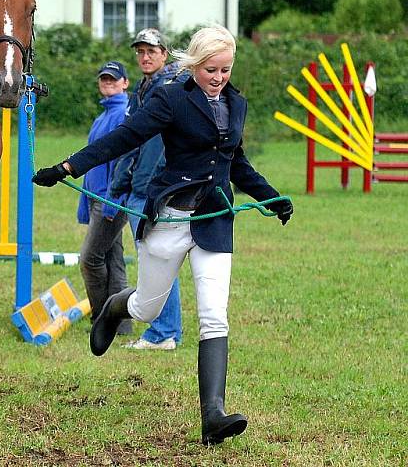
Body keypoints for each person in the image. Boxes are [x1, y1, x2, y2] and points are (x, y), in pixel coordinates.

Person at [32, 25, 293, 445]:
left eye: (226, 70)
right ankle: (115, 308)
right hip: (170, 218)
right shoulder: (171, 98)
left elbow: (235, 161)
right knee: (148, 308)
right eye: (211, 69)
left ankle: (213, 416)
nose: (219, 78)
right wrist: (67, 168)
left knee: (214, 315)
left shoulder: (235, 104)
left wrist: (271, 198)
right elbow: (124, 138)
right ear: (194, 64)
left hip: (213, 221)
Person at [110, 28, 187, 351]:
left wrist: (147, 183)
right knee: (156, 259)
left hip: (154, 189)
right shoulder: (142, 91)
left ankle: (163, 333)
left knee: (157, 261)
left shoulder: (168, 90)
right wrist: (121, 182)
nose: (144, 57)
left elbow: (157, 147)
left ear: (164, 55)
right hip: (138, 187)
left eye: (151, 51)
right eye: (140, 52)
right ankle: (165, 330)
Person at [77, 61, 132, 335]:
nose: (108, 83)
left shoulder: (122, 114)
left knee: (90, 259)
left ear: (125, 83)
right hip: (98, 197)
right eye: (104, 79)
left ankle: (103, 319)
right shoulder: (104, 115)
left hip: (111, 199)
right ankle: (122, 324)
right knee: (113, 260)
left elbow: (122, 161)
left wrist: (113, 200)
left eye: (114, 79)